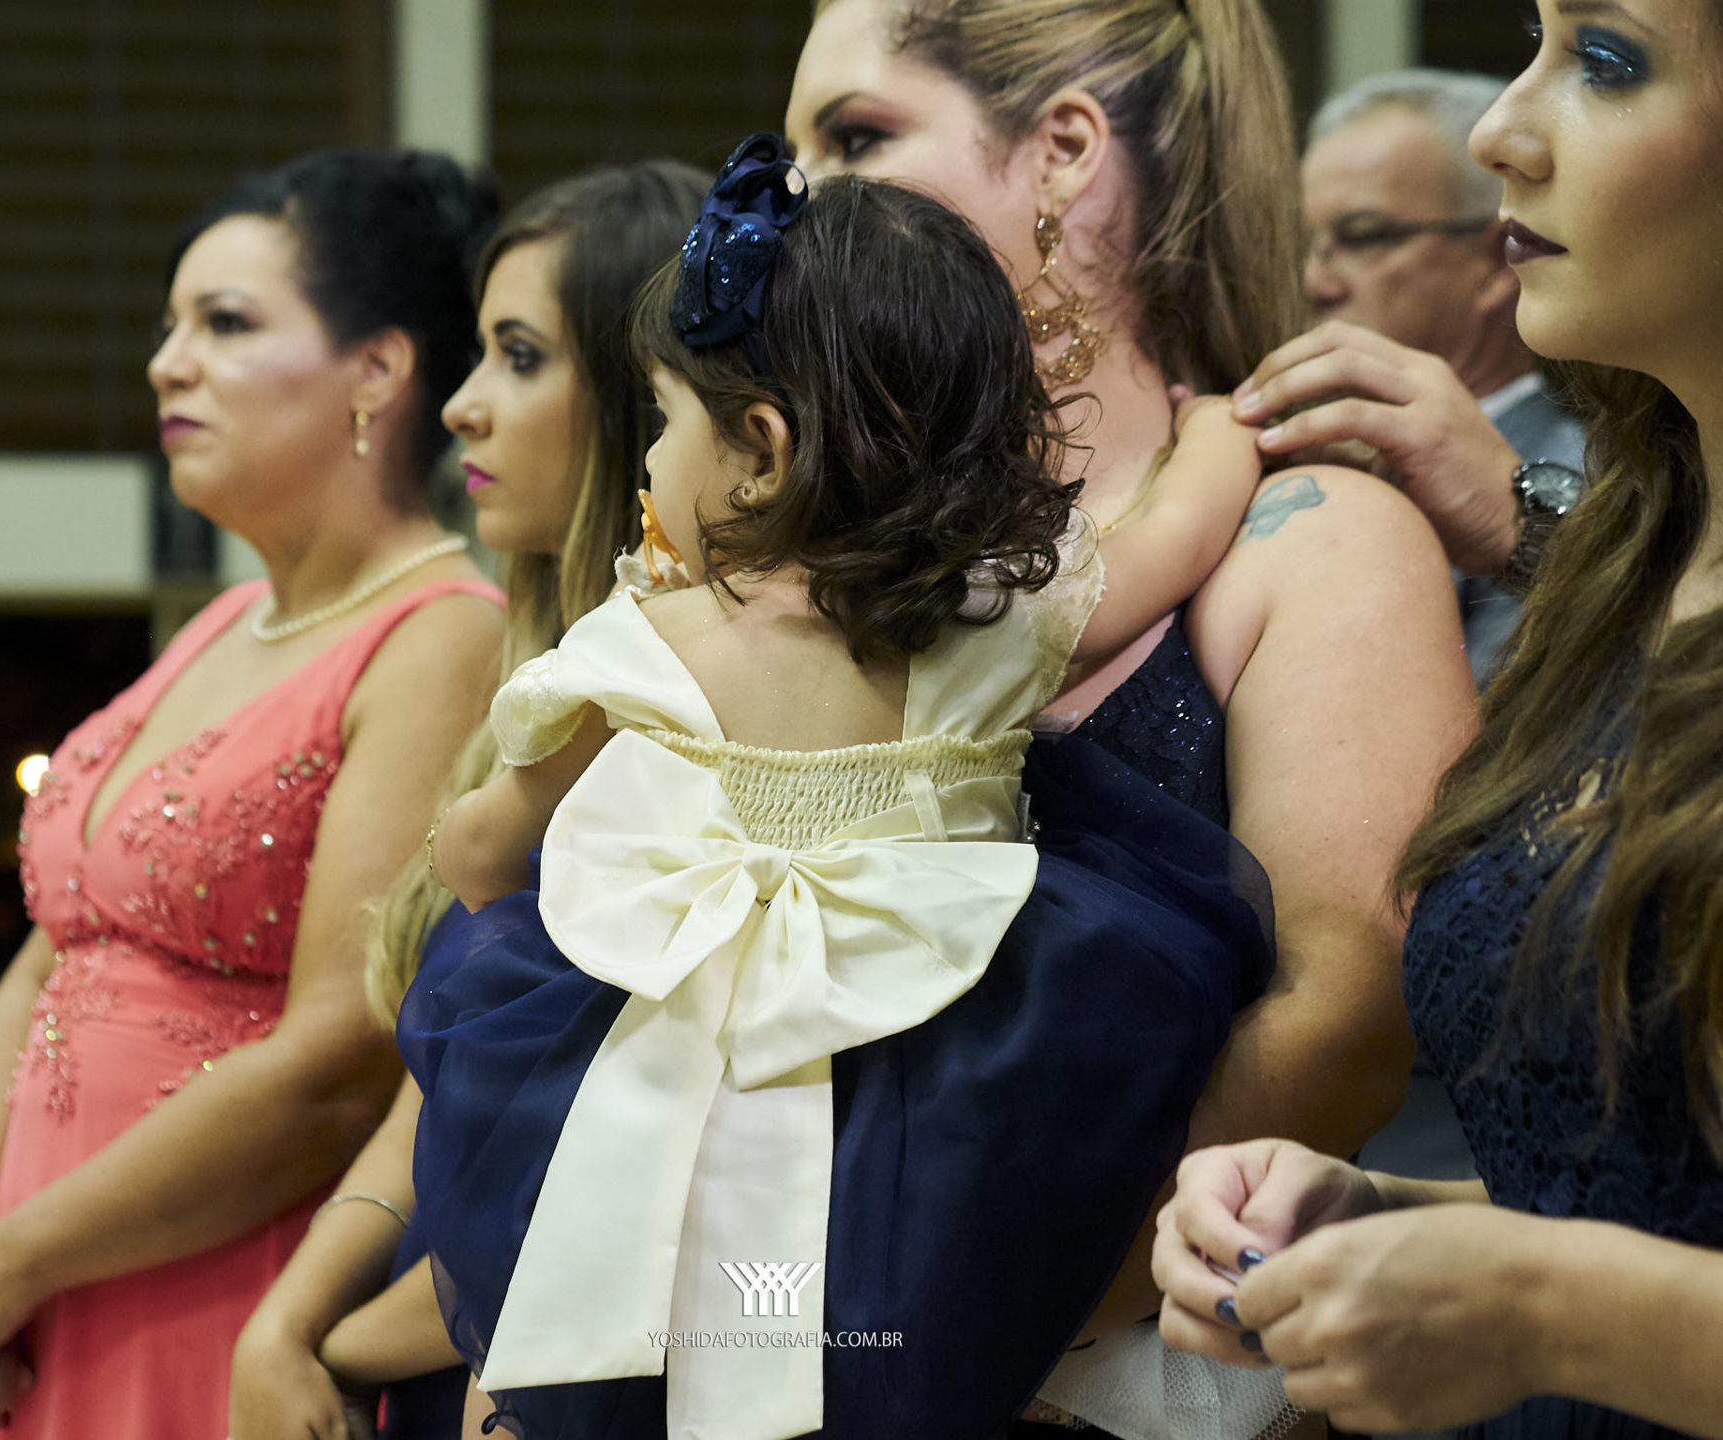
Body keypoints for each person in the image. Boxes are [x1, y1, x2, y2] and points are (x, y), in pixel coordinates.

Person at [402, 136, 1279, 1440]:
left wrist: (477, 856)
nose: (648, 462)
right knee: (910, 1316)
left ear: (757, 448)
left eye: (663, 421)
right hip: (961, 1060)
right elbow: (1171, 536)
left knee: (658, 1276)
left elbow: (488, 845)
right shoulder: (1003, 610)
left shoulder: (655, 634)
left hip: (694, 1064)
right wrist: (1218, 425)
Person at [783, 2, 1478, 1430]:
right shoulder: (812, 550)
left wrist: (916, 1330)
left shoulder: (1309, 529)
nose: (797, 196)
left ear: (1063, 155)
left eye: (855, 137)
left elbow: (1342, 1019)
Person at [0, 149, 506, 1440]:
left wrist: (17, 1257)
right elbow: (54, 957)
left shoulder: (444, 632)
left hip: (213, 1282)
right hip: (36, 1296)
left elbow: (340, 1052)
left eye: (224, 324)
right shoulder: (220, 625)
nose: (167, 363)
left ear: (376, 371)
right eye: (169, 327)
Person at [1154, 2, 1723, 1435]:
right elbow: (1645, 1185)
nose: (1499, 131)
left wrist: (1534, 1301)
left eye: (1603, 61)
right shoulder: (1645, 565)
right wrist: (1378, 1221)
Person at [224, 157, 711, 1440]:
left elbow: (630, 1165)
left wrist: (333, 1346)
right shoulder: (537, 678)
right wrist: (286, 1320)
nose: (461, 408)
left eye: (518, 356)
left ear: (637, 393)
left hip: (558, 1365)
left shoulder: (687, 711)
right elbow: (443, 1094)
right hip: (433, 1334)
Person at [1294, 67, 1586, 686]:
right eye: (1308, 243)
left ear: (1491, 263)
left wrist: (1527, 531)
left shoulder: (1606, 479)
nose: (1315, 283)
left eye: (1363, 236)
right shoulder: (1300, 456)